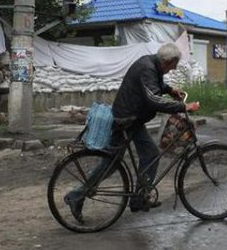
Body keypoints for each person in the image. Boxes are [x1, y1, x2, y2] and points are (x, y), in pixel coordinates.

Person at [65, 43, 200, 222]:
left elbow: (154, 83)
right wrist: (183, 106)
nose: (173, 69)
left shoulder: (152, 64)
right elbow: (153, 99)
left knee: (147, 154)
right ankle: (77, 195)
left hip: (133, 118)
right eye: (174, 65)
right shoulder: (148, 67)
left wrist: (169, 90)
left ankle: (140, 197)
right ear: (168, 61)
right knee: (113, 163)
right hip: (126, 120)